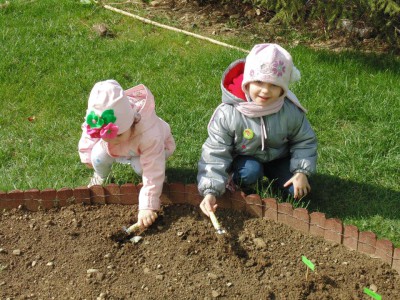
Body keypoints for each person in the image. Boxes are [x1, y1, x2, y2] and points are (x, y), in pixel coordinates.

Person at [197, 43, 317, 217]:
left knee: (296, 191)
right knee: (250, 172)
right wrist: (210, 191)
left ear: (283, 89)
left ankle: (280, 178)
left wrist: (301, 172)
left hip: (278, 157)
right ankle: (239, 183)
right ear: (248, 81)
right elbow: (215, 152)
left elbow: (304, 141)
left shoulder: (289, 110)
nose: (265, 91)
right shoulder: (229, 113)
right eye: (259, 82)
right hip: (245, 159)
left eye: (274, 85)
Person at [78, 80, 176, 228]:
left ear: (132, 122)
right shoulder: (102, 124)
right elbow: (88, 131)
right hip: (122, 149)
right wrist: (86, 153)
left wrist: (147, 206)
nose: (113, 140)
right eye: (105, 135)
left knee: (141, 167)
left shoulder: (149, 134)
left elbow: (152, 167)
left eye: (118, 135)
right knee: (97, 157)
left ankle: (157, 185)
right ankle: (100, 176)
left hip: (153, 149)